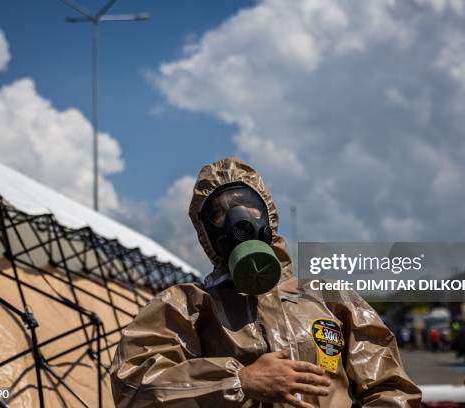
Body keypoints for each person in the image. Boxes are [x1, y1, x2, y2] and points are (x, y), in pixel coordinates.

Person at [110, 157, 421, 407]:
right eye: (219, 213)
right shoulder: (187, 306)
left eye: (249, 205)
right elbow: (133, 385)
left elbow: (391, 387)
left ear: (269, 214)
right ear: (206, 232)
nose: (239, 221)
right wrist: (240, 380)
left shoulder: (329, 298)